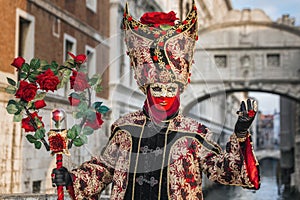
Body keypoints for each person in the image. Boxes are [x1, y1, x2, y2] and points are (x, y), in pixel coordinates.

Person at [52, 1, 260, 199]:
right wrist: (72, 178)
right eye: (157, 88)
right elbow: (103, 169)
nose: (163, 96)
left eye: (170, 89)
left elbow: (225, 170)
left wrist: (240, 133)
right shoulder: (125, 128)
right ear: (147, 89)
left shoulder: (194, 134)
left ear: (178, 91)